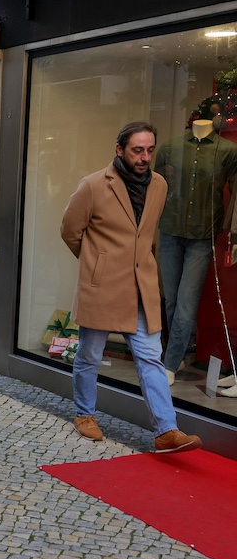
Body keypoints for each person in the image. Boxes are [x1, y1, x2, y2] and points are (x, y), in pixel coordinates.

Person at [60, 121, 202, 453]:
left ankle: (166, 429)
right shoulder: (93, 185)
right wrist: (98, 264)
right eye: (137, 150)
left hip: (142, 287)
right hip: (104, 287)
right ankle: (84, 413)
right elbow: (70, 230)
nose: (144, 157)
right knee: (90, 354)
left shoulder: (160, 186)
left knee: (151, 358)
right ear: (120, 149)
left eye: (150, 150)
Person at [154, 118, 237, 384]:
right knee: (170, 299)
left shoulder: (227, 150)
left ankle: (170, 361)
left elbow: (236, 192)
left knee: (187, 300)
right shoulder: (170, 149)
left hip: (203, 235)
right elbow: (156, 188)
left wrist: (232, 231)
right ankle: (178, 353)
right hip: (169, 229)